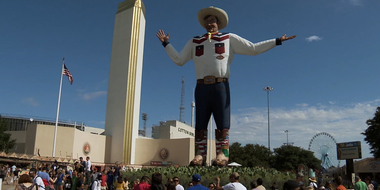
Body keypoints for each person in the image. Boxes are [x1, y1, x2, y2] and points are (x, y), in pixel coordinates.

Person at [157, 6, 296, 166]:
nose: (209, 24)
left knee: (222, 121)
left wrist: (277, 41)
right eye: (207, 22)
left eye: (212, 21)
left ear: (219, 23)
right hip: (201, 86)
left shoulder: (228, 38)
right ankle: (199, 155)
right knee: (200, 123)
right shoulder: (195, 41)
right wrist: (166, 44)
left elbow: (253, 49)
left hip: (221, 85)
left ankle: (222, 154)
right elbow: (179, 60)